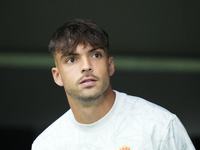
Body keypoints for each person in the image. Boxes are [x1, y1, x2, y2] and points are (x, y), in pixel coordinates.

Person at [31, 19, 195, 150]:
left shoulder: (159, 125)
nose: (86, 66)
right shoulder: (47, 145)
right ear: (57, 76)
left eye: (95, 55)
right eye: (72, 59)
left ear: (110, 65)